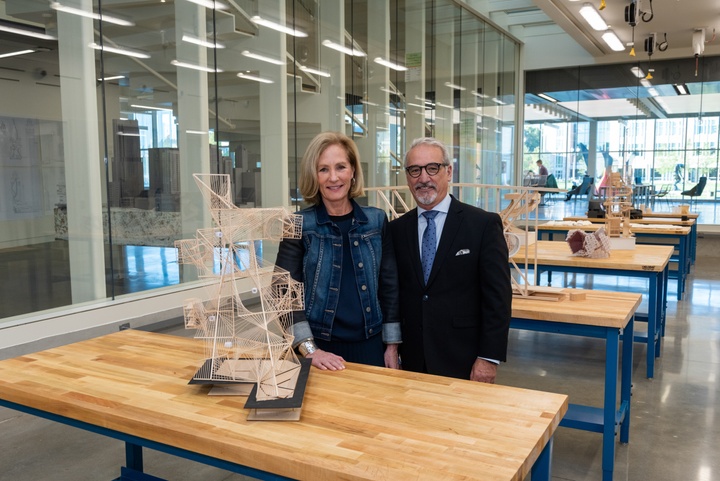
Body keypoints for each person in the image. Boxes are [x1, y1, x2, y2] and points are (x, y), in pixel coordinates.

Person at [275, 131, 401, 372]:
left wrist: (392, 345)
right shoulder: (298, 224)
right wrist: (309, 350)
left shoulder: (376, 220)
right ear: (314, 175)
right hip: (320, 348)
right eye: (323, 169)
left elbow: (390, 286)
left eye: (340, 167)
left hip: (371, 345)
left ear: (353, 171)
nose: (333, 177)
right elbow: (283, 292)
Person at [389, 137, 511, 383]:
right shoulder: (396, 230)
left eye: (432, 168)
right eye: (415, 170)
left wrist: (488, 358)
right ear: (407, 177)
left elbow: (497, 298)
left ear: (449, 171)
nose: (424, 178)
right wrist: (393, 346)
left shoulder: (483, 225)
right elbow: (394, 294)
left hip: (464, 360)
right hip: (411, 360)